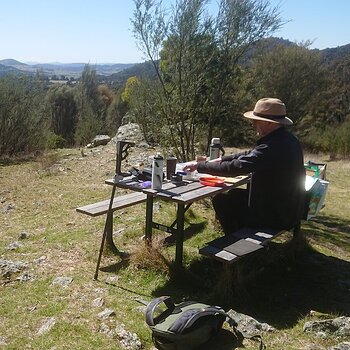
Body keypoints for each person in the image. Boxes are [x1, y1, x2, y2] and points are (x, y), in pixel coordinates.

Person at [183, 97, 306, 235]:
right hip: (289, 207)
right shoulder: (286, 139)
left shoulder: (272, 146)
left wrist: (200, 166)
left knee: (221, 201)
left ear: (271, 123)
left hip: (277, 215)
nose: (253, 124)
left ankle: (237, 241)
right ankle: (241, 235)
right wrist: (220, 159)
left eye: (256, 120)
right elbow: (250, 154)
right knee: (234, 194)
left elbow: (236, 168)